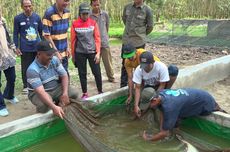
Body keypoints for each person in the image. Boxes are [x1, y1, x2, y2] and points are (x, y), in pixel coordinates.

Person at [139, 87, 225, 141]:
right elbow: (162, 112)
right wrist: (162, 128)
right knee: (171, 123)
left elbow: (165, 133)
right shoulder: (161, 93)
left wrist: (149, 139)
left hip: (205, 102)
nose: (149, 107)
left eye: (149, 104)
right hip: (198, 94)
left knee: (215, 108)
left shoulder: (170, 107)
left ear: (154, 100)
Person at [27, 40, 78, 119]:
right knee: (43, 106)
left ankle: (58, 102)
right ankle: (54, 105)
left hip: (55, 88)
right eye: (48, 54)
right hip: (38, 92)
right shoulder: (32, 70)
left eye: (52, 53)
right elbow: (41, 92)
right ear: (39, 54)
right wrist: (53, 107)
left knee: (73, 94)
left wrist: (64, 94)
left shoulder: (54, 60)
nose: (51, 56)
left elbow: (64, 75)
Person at [132, 51, 178, 117]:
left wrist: (155, 98)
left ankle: (166, 93)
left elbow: (162, 85)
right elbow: (137, 88)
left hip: (159, 86)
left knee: (156, 104)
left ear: (153, 63)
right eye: (143, 65)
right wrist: (136, 105)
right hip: (148, 86)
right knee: (147, 94)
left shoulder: (161, 67)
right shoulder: (138, 69)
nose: (145, 68)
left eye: (147, 65)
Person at [71, 3, 102, 99]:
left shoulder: (93, 23)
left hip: (92, 52)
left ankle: (100, 91)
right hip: (80, 53)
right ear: (80, 13)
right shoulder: (74, 24)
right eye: (83, 14)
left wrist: (98, 53)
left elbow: (97, 38)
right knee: (82, 73)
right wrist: (73, 56)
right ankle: (85, 93)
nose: (85, 16)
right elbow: (73, 41)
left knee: (97, 72)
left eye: (87, 14)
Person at [120, 0, 153, 87]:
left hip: (139, 42)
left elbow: (150, 26)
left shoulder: (147, 10)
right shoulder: (127, 7)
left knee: (140, 64)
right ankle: (123, 85)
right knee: (125, 64)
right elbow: (124, 20)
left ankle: (139, 84)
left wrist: (141, 34)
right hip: (127, 40)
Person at [13, 0, 42, 94]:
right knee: (25, 67)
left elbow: (41, 32)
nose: (28, 8)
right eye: (25, 6)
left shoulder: (37, 17)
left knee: (39, 65)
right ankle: (26, 85)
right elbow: (15, 33)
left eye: (29, 6)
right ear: (22, 7)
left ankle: (39, 84)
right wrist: (16, 47)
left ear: (32, 5)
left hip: (36, 47)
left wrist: (44, 46)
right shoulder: (18, 18)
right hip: (25, 48)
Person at [90, 0, 115, 83]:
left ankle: (111, 77)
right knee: (95, 63)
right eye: (94, 5)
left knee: (108, 61)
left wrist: (104, 36)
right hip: (94, 43)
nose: (96, 7)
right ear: (91, 5)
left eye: (98, 5)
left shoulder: (105, 14)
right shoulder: (89, 16)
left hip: (104, 42)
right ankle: (98, 79)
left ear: (100, 4)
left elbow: (107, 27)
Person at [42, 0, 71, 72]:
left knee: (65, 75)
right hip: (53, 55)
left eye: (68, 1)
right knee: (54, 78)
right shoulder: (49, 13)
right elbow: (46, 36)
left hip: (64, 53)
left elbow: (65, 32)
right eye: (64, 1)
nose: (66, 3)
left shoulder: (67, 12)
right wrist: (56, 52)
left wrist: (68, 47)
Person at [0, 8, 19, 117]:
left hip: (6, 54)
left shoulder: (2, 21)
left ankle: (9, 95)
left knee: (12, 78)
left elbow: (8, 36)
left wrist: (13, 47)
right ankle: (1, 105)